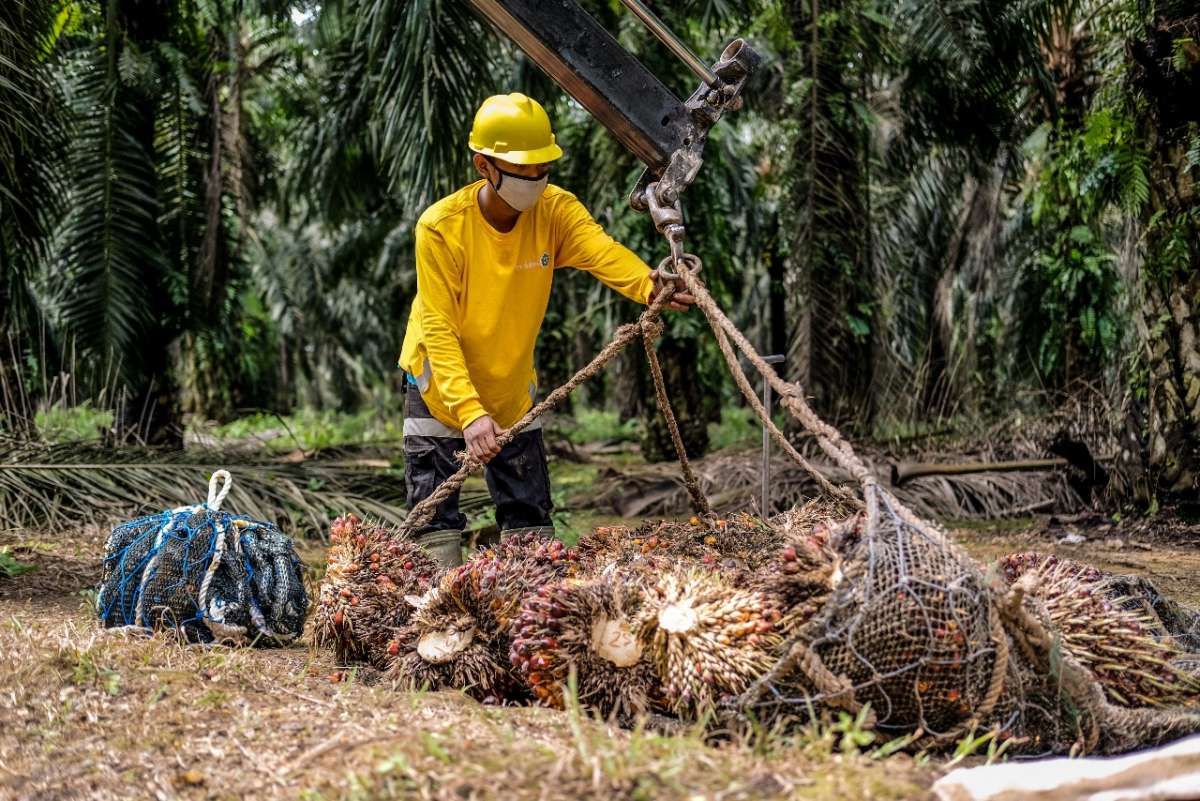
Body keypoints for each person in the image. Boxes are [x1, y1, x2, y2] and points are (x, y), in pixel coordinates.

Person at [398, 92, 694, 567]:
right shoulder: (441, 228)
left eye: (543, 169)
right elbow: (437, 326)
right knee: (434, 531)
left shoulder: (554, 210)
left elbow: (601, 250)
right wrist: (470, 413)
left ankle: (527, 621)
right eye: (524, 170)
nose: (536, 180)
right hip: (439, 389)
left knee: (530, 523)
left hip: (512, 390)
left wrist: (648, 284)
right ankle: (440, 629)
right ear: (483, 165)